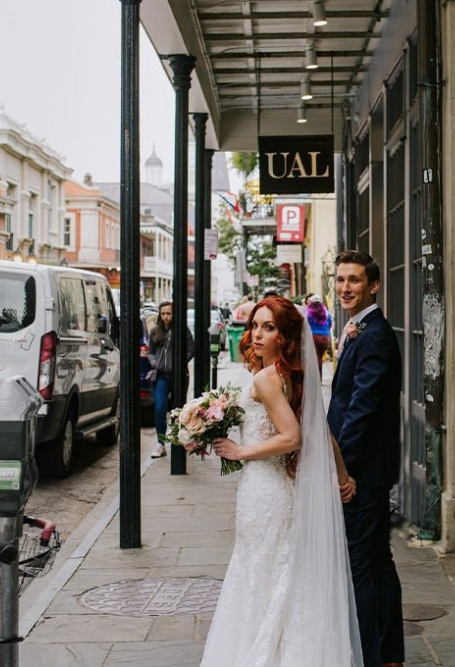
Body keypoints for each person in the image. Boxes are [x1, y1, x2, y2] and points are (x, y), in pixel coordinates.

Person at [203, 296, 362, 667]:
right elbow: (321, 432)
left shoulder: (266, 378)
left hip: (264, 490)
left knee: (259, 575)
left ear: (285, 336)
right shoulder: (292, 375)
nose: (257, 334)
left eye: (268, 328)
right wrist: (342, 476)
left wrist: (239, 452)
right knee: (283, 575)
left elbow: (293, 437)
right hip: (281, 492)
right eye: (255, 325)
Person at [328, 249, 405, 667]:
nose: (345, 288)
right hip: (369, 466)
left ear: (373, 285)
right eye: (340, 280)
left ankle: (370, 658)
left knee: (359, 565)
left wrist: (340, 465)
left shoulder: (374, 334)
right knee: (377, 558)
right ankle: (390, 655)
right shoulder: (360, 328)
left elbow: (363, 407)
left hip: (361, 469)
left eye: (354, 280)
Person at [148, 299, 194, 458]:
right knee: (160, 408)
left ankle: (178, 440)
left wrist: (179, 364)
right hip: (161, 375)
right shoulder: (155, 331)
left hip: (178, 375)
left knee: (179, 409)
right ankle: (161, 444)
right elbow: (151, 352)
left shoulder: (182, 330)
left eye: (169, 313)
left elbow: (190, 349)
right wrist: (154, 363)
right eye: (163, 314)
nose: (166, 317)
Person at [305, 293, 333, 372]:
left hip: (314, 337)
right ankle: (319, 380)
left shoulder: (308, 312)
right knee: (319, 359)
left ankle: (315, 380)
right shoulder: (326, 312)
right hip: (325, 338)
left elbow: (306, 325)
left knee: (314, 359)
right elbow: (330, 324)